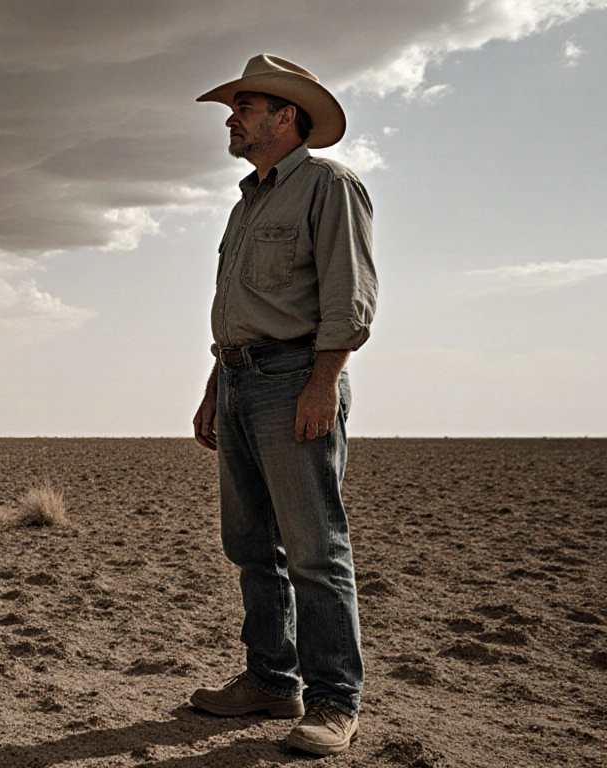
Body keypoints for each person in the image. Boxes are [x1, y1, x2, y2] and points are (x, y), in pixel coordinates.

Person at [187, 54, 378, 756]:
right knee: (251, 548)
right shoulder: (249, 199)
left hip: (296, 378)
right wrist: (215, 387)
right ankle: (271, 680)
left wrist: (323, 384)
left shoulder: (329, 185)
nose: (233, 120)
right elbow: (237, 308)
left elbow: (348, 297)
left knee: (314, 551)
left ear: (285, 116)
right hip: (238, 381)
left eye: (244, 108)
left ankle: (334, 702)